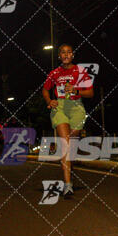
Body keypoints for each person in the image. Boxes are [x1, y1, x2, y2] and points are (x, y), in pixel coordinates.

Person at [42, 44, 93, 198]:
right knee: (65, 144)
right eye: (62, 52)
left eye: (68, 52)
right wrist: (49, 100)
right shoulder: (55, 73)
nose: (66, 55)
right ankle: (68, 185)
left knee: (72, 143)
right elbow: (45, 89)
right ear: (59, 56)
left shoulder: (80, 71)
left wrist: (76, 90)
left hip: (76, 107)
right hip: (60, 107)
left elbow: (90, 93)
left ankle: (69, 159)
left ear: (73, 55)